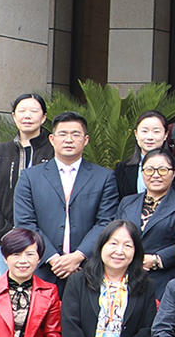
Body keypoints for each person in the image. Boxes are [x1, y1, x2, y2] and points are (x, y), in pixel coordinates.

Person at [13, 111, 118, 286]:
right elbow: (25, 223)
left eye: (75, 134)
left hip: (87, 269)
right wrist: (53, 258)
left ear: (86, 140)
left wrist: (79, 256)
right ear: (52, 139)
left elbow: (106, 222)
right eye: (62, 134)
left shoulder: (104, 177)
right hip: (43, 268)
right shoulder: (30, 177)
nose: (69, 140)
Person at [0, 94, 54, 248]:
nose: (27, 116)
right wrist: (6, 232)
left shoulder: (54, 152)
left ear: (44, 117)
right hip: (5, 239)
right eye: (22, 111)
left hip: (46, 241)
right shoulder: (0, 152)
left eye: (34, 111)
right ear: (14, 116)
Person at [121, 150, 175, 280]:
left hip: (167, 277)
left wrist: (157, 259)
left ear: (174, 173)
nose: (156, 175)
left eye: (163, 170)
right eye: (149, 170)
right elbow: (115, 235)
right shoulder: (127, 202)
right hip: (128, 274)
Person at [114, 111, 171, 201]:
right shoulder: (122, 167)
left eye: (156, 131)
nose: (149, 137)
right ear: (136, 134)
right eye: (144, 131)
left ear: (166, 135)